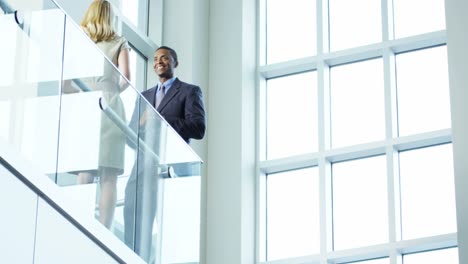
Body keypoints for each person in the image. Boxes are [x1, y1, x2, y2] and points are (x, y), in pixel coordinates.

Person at [124, 46, 206, 261]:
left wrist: (161, 121)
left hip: (170, 169)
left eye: (165, 58)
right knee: (134, 221)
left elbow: (198, 128)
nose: (159, 62)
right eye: (156, 59)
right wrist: (141, 123)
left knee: (171, 229)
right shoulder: (144, 96)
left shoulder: (189, 91)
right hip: (142, 169)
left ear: (175, 63)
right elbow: (129, 136)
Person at [75, 0, 131, 229]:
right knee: (109, 174)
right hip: (110, 104)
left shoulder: (80, 39)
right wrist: (112, 89)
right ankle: (104, 229)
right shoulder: (118, 41)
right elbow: (127, 77)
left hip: (84, 103)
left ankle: (79, 220)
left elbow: (67, 79)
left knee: (84, 169)